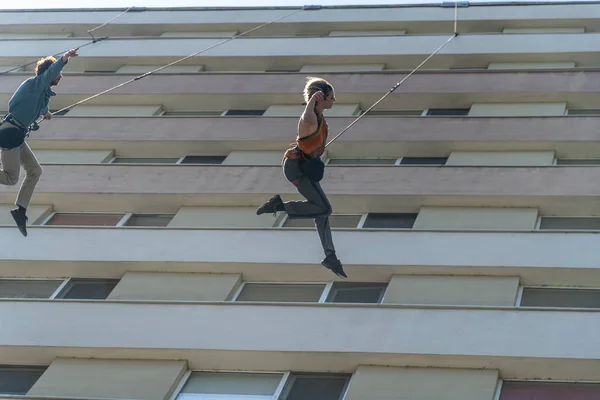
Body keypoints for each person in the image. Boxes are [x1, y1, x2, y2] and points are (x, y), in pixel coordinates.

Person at [257, 76, 347, 278]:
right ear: (321, 98)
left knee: (323, 211)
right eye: (331, 97)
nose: (335, 100)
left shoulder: (319, 116)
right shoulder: (310, 119)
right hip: (296, 167)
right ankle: (278, 206)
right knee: (324, 208)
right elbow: (305, 120)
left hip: (304, 166)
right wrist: (311, 104)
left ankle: (330, 256)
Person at [0, 47, 79, 237]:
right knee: (11, 178)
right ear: (48, 73)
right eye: (58, 73)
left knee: (35, 171)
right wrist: (65, 58)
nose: (60, 76)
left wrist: (46, 114)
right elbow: (49, 75)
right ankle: (19, 210)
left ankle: (20, 210)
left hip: (17, 135)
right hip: (10, 134)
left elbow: (42, 108)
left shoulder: (41, 93)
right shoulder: (34, 84)